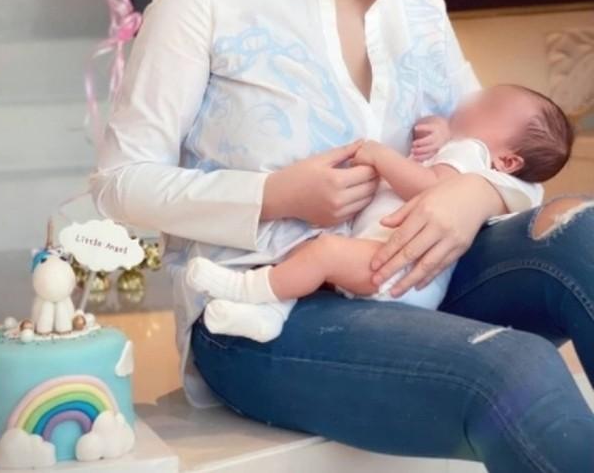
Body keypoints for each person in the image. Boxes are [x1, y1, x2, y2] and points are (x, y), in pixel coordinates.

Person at [89, 0, 594, 470]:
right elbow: (120, 183)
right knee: (516, 368)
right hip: (267, 312)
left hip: (413, 283)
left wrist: (472, 196)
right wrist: (275, 194)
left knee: (583, 235)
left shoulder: (419, 5)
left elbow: (502, 155)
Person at [184, 83, 575, 338]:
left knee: (322, 253)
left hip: (393, 267)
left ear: (508, 161)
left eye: (490, 106)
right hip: (394, 269)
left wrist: (380, 156)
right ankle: (267, 316)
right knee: (308, 257)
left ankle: (247, 289)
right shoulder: (475, 161)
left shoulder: (471, 153)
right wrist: (443, 132)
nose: (473, 101)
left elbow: (432, 188)